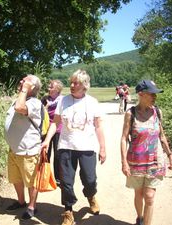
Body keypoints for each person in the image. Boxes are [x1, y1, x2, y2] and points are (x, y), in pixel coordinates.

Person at [42, 69, 106, 225]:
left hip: (87, 148)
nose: (71, 85)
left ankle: (91, 196)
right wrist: (47, 140)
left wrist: (103, 148)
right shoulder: (63, 101)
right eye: (71, 82)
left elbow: (98, 127)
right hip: (66, 146)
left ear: (84, 85)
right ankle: (68, 211)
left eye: (75, 83)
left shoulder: (92, 102)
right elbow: (55, 123)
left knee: (90, 180)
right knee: (66, 182)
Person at [120, 80, 172, 225]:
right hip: (136, 162)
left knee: (150, 196)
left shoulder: (157, 112)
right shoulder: (130, 113)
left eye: (155, 94)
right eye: (151, 94)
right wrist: (124, 162)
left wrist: (170, 155)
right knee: (139, 193)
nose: (154, 97)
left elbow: (162, 136)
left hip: (155, 161)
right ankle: (140, 218)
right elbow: (123, 139)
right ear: (141, 94)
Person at [4, 74, 43, 220]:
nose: (21, 81)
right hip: (14, 149)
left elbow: (20, 108)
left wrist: (25, 89)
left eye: (25, 81)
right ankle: (21, 202)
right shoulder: (19, 99)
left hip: (27, 150)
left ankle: (32, 207)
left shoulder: (34, 102)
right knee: (16, 178)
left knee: (30, 181)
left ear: (32, 87)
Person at [41, 79, 64, 185]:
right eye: (49, 86)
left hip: (58, 129)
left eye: (51, 87)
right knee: (46, 153)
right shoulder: (44, 99)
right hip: (46, 129)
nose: (49, 88)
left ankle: (58, 178)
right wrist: (45, 108)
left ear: (58, 89)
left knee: (58, 155)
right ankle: (45, 177)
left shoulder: (63, 100)